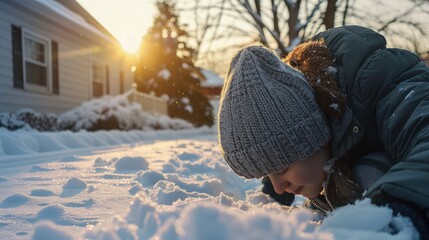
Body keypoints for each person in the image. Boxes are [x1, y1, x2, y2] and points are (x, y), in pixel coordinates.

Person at [217, 25, 429, 238]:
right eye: (267, 173)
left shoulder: (384, 84)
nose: (279, 188)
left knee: (366, 175)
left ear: (312, 138)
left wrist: (403, 208)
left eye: (281, 168)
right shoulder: (316, 112)